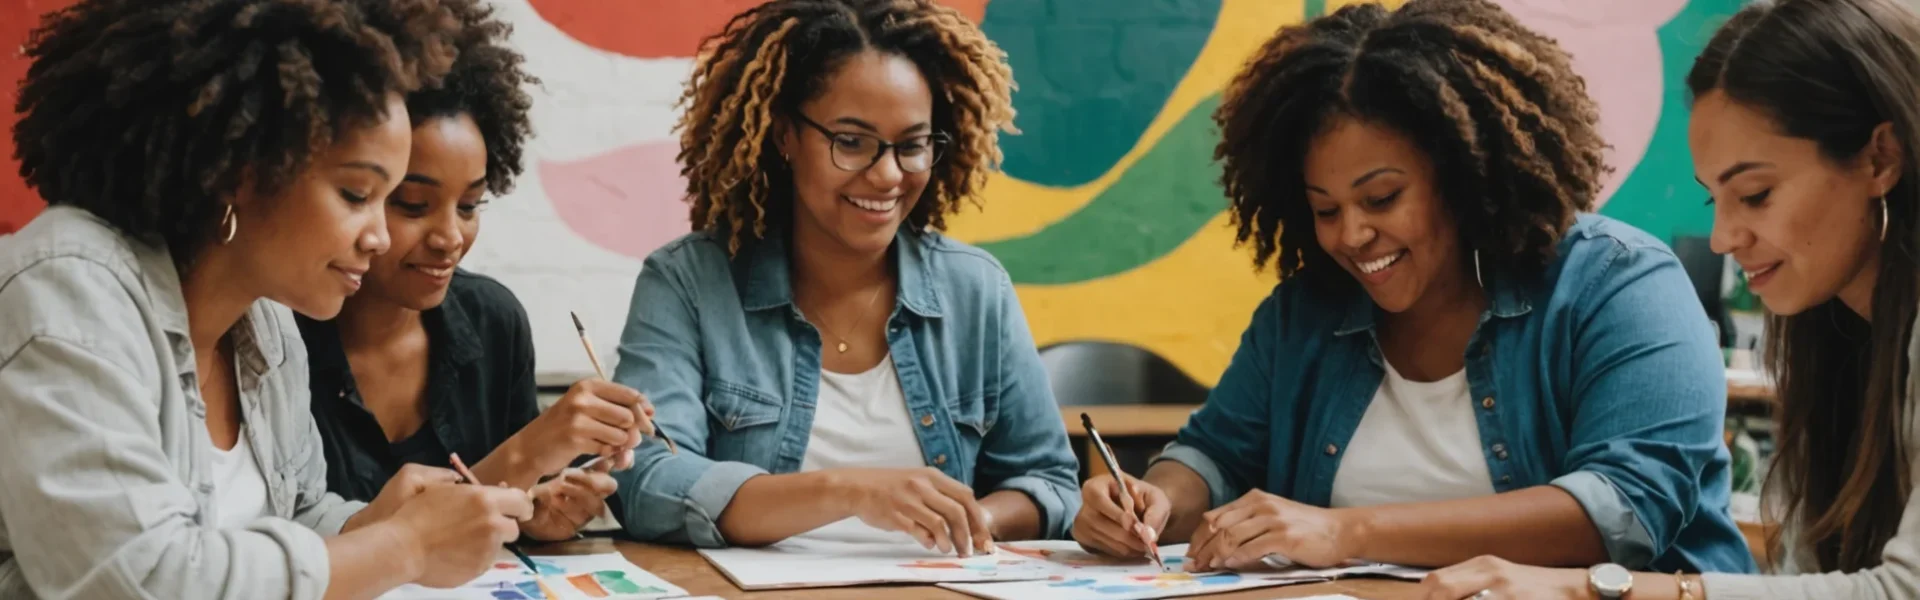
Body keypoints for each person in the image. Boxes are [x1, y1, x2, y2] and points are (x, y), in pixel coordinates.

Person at [1071, 0, 1755, 577]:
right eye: (1326, 209)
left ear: (1463, 172)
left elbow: (1621, 512)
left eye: (1382, 197)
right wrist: (1153, 500)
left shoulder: (1618, 285)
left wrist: (1344, 533)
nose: (1352, 236)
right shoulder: (1308, 312)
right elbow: (1215, 455)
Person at [0, 0, 537, 597]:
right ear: (241, 170)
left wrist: (378, 520)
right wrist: (402, 546)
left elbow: (295, 521)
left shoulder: (267, 327)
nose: (378, 236)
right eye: (357, 194)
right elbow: (135, 579)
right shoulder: (68, 290)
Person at [1419, 0, 1920, 597]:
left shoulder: (1622, 280)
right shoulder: (1837, 339)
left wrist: (1596, 590)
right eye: (1715, 200)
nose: (1723, 238)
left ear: (1880, 158)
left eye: (1756, 194)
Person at [608, 0, 1080, 556]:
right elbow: (645, 478)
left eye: (911, 145)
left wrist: (966, 519)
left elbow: (1049, 483)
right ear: (786, 135)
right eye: (851, 141)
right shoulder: (688, 282)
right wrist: (849, 491)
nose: (886, 175)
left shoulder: (976, 290)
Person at [296, 0, 652, 542]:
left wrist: (535, 512)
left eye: (469, 206)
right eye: (412, 205)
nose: (450, 239)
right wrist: (525, 454)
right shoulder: (272, 339)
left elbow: (512, 511)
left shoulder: (493, 322)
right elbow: (319, 548)